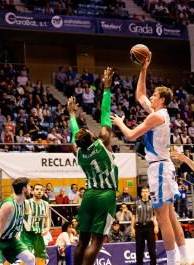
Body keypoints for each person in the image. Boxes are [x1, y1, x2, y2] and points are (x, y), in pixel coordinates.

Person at [111, 55, 190, 265]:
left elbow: (130, 135)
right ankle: (185, 258)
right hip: (163, 167)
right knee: (171, 216)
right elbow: (140, 94)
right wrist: (144, 69)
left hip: (160, 169)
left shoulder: (155, 116)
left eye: (155, 95)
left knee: (163, 218)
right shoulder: (159, 112)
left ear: (162, 99)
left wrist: (119, 122)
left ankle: (173, 261)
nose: (151, 97)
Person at [69, 67, 118, 265]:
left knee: (82, 240)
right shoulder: (104, 140)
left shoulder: (77, 151)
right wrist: (106, 88)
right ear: (91, 136)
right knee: (97, 241)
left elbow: (74, 135)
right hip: (105, 195)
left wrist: (72, 115)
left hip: (88, 195)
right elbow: (105, 114)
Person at [0, 177, 35, 265]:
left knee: (30, 258)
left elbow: (16, 226)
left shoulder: (24, 203)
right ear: (23, 189)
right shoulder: (9, 205)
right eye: (29, 186)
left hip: (9, 239)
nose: (30, 189)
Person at [21, 183, 50, 265]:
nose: (39, 191)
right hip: (27, 234)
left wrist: (47, 228)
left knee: (41, 259)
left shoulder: (46, 204)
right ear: (32, 192)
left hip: (39, 234)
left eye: (41, 190)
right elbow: (20, 218)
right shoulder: (26, 203)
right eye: (37, 189)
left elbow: (47, 217)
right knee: (26, 258)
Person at [131, 186, 159, 265]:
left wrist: (156, 225)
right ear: (141, 193)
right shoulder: (136, 203)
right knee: (139, 249)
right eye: (143, 191)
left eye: (146, 191)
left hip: (150, 226)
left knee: (152, 249)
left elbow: (154, 216)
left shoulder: (153, 203)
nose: (145, 193)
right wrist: (132, 228)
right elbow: (133, 216)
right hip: (139, 227)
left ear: (149, 193)